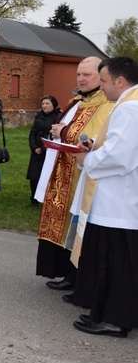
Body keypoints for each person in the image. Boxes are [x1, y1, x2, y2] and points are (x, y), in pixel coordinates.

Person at [69, 56, 138, 337]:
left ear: (120, 81)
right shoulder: (127, 105)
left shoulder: (129, 109)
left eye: (105, 82)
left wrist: (88, 159)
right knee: (111, 262)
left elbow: (120, 156)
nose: (103, 88)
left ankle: (115, 319)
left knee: (116, 264)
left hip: (118, 205)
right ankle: (106, 313)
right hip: (117, 202)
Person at [35, 57, 112, 290]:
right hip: (62, 168)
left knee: (77, 224)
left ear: (102, 76)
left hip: (82, 175)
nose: (81, 78)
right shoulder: (78, 100)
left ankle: (76, 275)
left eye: (87, 75)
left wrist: (63, 131)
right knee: (64, 221)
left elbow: (93, 136)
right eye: (79, 74)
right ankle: (65, 270)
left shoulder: (105, 103)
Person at [25, 95, 60, 207]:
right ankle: (34, 199)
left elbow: (55, 135)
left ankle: (48, 199)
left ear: (53, 105)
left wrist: (44, 148)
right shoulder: (39, 116)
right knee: (34, 176)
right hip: (36, 150)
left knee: (48, 175)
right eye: (43, 104)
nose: (44, 106)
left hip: (49, 150)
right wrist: (34, 147)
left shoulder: (58, 116)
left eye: (47, 103)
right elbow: (33, 132)